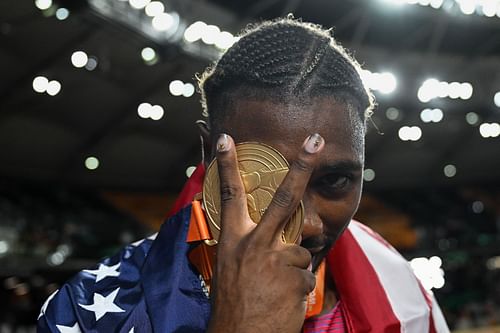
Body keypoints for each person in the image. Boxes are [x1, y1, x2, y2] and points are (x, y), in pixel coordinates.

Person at [37, 17, 449, 332]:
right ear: (208, 151)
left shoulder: (408, 302)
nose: (305, 224)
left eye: (335, 181)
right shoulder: (87, 311)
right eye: (268, 179)